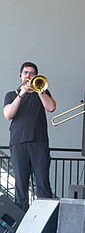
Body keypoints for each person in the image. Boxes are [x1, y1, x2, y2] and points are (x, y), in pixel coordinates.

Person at [3, 62, 56, 211]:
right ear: (20, 76)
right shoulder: (11, 94)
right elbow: (8, 114)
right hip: (18, 143)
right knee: (20, 185)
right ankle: (21, 223)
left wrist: (39, 91)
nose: (29, 76)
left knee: (43, 183)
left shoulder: (43, 92)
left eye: (32, 73)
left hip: (39, 143)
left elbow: (51, 108)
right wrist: (22, 93)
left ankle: (46, 222)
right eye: (26, 73)